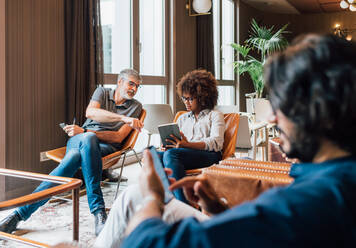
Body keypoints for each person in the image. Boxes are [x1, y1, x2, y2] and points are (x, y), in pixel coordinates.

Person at [97, 34, 356, 248]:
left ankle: (166, 196)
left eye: (283, 106)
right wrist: (219, 210)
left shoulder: (307, 203)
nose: (272, 118)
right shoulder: (334, 183)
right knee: (148, 178)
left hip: (205, 157)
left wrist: (153, 197)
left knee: (136, 196)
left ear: (322, 112)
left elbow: (148, 243)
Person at [0, 68, 144, 236]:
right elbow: (91, 112)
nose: (134, 89)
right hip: (79, 140)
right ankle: (98, 212)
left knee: (78, 152)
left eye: (137, 86)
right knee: (87, 139)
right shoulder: (102, 92)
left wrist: (87, 133)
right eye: (131, 84)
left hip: (104, 147)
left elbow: (119, 138)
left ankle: (17, 215)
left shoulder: (136, 107)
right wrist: (122, 118)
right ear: (120, 82)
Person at [158, 69, 225, 203]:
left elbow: (216, 143)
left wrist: (186, 145)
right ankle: (166, 200)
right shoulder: (182, 118)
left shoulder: (215, 115)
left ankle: (183, 203)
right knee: (152, 154)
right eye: (184, 98)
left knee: (171, 155)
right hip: (186, 154)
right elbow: (180, 144)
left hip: (209, 155)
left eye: (190, 99)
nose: (186, 102)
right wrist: (169, 144)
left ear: (203, 97)